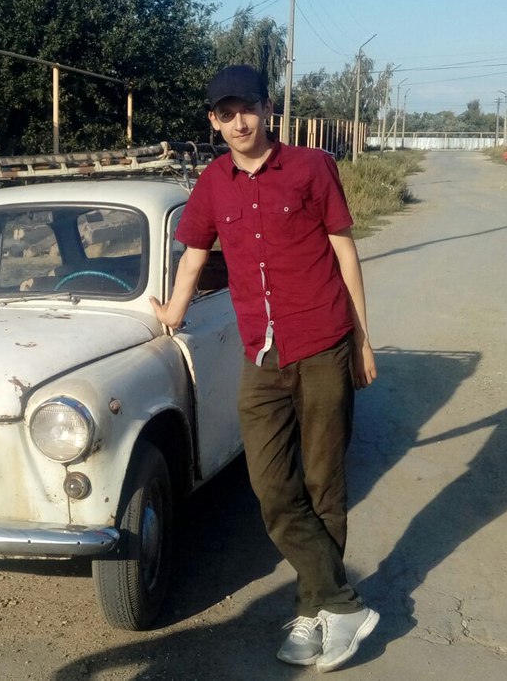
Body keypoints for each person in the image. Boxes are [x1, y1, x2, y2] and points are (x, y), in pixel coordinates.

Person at [151, 65, 379, 672]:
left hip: (323, 341)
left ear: (266, 107)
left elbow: (345, 251)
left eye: (246, 108)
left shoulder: (311, 167)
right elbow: (193, 255)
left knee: (324, 483)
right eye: (225, 114)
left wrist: (363, 339)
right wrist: (173, 311)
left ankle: (314, 610)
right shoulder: (213, 182)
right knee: (271, 487)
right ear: (213, 120)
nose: (238, 122)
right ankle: (342, 603)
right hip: (263, 354)